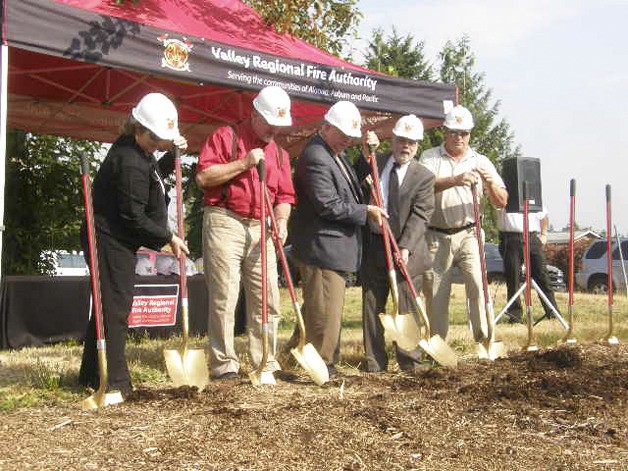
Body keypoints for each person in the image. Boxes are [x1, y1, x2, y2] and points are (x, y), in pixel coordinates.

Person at [79, 92, 189, 397]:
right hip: (108, 238)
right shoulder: (128, 159)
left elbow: (152, 177)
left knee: (106, 307)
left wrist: (170, 157)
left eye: (162, 141)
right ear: (138, 128)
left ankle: (90, 374)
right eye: (156, 141)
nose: (159, 145)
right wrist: (167, 238)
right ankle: (114, 382)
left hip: (117, 237)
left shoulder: (140, 152)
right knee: (115, 309)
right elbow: (133, 216)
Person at [195, 86, 295, 380]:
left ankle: (265, 360)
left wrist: (282, 221)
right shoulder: (225, 137)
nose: (274, 129)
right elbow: (204, 177)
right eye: (269, 122)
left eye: (279, 124)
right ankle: (224, 363)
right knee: (225, 294)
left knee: (268, 298)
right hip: (225, 219)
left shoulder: (280, 154)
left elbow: (285, 196)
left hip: (262, 226)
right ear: (254, 114)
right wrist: (244, 163)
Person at [288, 100, 386, 376]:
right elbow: (328, 204)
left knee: (319, 309)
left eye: (350, 137)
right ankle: (323, 365)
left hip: (332, 246)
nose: (347, 140)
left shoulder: (332, 152)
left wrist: (366, 160)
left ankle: (296, 357)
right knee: (325, 314)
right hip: (322, 246)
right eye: (342, 134)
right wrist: (365, 211)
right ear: (326, 126)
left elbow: (348, 185)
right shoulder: (316, 156)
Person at [419, 105, 508, 343]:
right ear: (445, 132)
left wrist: (489, 184)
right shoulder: (430, 157)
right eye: (454, 132)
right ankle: (438, 344)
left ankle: (485, 339)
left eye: (464, 133)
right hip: (436, 234)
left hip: (470, 232)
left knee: (478, 285)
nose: (459, 137)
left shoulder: (480, 161)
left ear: (470, 134)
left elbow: (501, 202)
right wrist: (455, 180)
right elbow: (423, 187)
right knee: (436, 292)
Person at [358, 115, 435, 373]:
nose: (406, 147)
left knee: (406, 306)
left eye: (412, 143)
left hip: (406, 249)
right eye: (402, 140)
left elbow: (421, 215)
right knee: (372, 305)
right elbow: (357, 183)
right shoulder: (375, 162)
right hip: (376, 245)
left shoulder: (424, 176)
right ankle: (374, 362)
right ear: (392, 140)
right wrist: (365, 149)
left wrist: (405, 247)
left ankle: (410, 361)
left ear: (418, 146)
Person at [497, 207, 560, 323]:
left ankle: (552, 313)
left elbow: (543, 215)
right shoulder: (504, 190)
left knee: (542, 275)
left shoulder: (532, 193)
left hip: (531, 236)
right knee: (513, 277)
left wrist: (544, 234)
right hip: (511, 237)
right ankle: (515, 316)